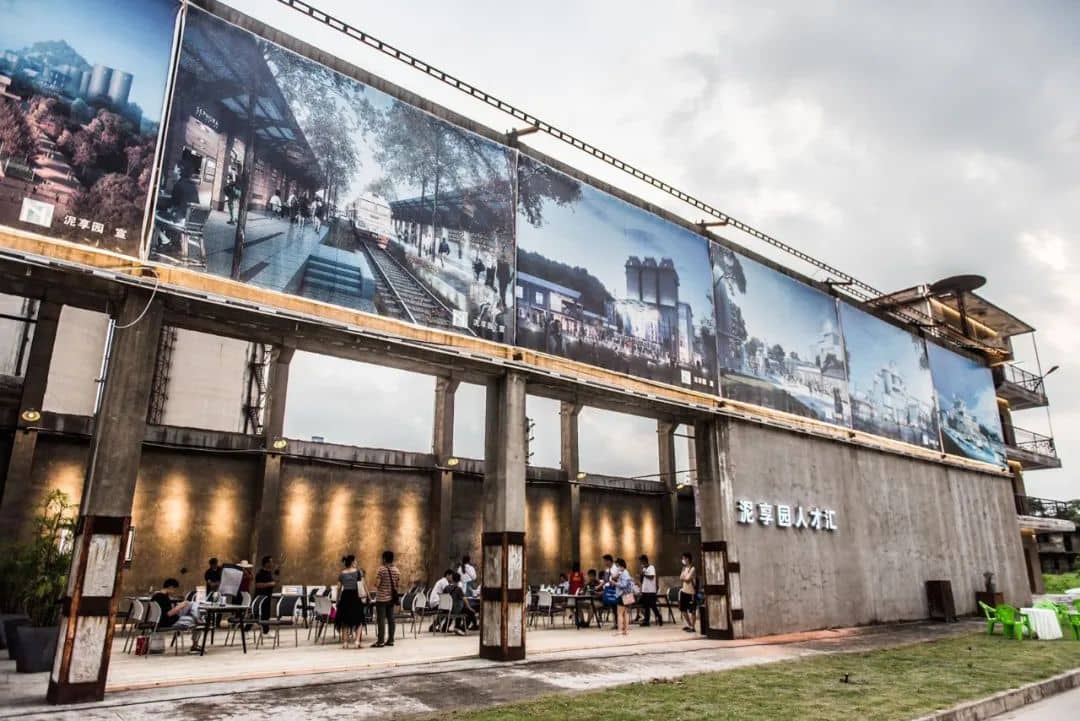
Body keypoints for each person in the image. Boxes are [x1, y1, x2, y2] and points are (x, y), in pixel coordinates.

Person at [151, 578, 203, 653]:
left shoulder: (157, 595)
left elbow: (164, 611)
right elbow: (168, 614)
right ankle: (195, 645)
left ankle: (197, 618)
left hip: (163, 621)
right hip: (168, 622)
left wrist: (181, 605)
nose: (175, 591)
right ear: (171, 587)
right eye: (174, 589)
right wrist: (179, 607)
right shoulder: (162, 597)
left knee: (191, 604)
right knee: (197, 621)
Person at [373, 550, 401, 647]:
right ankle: (391, 640)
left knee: (381, 620)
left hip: (381, 599)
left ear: (384, 559)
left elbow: (377, 584)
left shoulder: (381, 570)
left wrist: (376, 583)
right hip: (391, 599)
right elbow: (397, 585)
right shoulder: (396, 571)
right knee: (391, 619)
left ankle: (381, 641)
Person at [335, 555, 364, 648]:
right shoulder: (358, 572)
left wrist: (337, 600)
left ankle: (345, 643)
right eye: (355, 561)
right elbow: (362, 585)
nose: (356, 562)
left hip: (345, 596)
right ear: (352, 562)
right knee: (359, 619)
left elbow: (339, 588)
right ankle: (357, 642)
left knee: (345, 620)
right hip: (355, 596)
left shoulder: (341, 574)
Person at [612, 558, 634, 636]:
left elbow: (623, 585)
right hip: (628, 594)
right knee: (626, 613)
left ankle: (619, 630)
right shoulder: (625, 572)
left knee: (620, 613)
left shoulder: (624, 573)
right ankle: (626, 630)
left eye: (617, 566)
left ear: (620, 565)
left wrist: (614, 583)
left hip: (622, 595)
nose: (616, 568)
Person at [638, 554, 662, 627]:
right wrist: (641, 575)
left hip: (651, 590)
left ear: (644, 561)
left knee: (653, 605)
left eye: (641, 561)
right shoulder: (644, 569)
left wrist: (644, 574)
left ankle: (659, 617)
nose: (640, 563)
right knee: (646, 606)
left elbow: (651, 577)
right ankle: (646, 621)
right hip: (645, 590)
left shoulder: (651, 567)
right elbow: (642, 580)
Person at [254, 556, 275, 633]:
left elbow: (274, 583)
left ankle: (266, 632)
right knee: (255, 615)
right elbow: (258, 585)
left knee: (266, 615)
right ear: (266, 563)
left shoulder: (269, 573)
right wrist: (270, 584)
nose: (272, 563)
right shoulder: (260, 573)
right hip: (261, 597)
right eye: (271, 562)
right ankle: (246, 630)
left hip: (268, 597)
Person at [679, 552, 698, 633]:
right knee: (683, 610)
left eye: (684, 558)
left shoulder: (692, 568)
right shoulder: (684, 568)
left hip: (691, 592)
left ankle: (693, 627)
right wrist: (684, 578)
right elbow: (681, 578)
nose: (683, 560)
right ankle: (690, 625)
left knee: (692, 610)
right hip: (684, 591)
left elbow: (687, 579)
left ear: (688, 559)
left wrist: (684, 578)